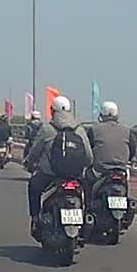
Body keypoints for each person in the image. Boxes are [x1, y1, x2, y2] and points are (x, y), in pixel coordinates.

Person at [24, 96, 93, 237]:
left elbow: (35, 151)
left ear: (52, 110)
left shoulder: (47, 129)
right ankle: (87, 216)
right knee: (88, 191)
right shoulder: (79, 129)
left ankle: (36, 219)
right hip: (75, 176)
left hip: (50, 175)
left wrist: (29, 162)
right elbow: (89, 156)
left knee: (34, 187)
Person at [83, 100, 137, 201]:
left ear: (101, 115)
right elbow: (133, 150)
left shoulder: (94, 130)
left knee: (86, 179)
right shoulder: (128, 131)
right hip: (121, 169)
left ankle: (88, 204)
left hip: (100, 170)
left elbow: (88, 150)